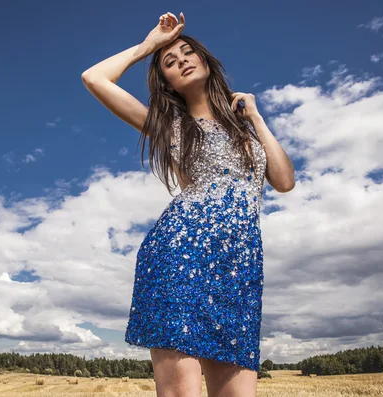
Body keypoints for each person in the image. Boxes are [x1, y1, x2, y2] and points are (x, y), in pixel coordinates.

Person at [82, 11, 295, 397]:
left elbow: (283, 181)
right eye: (169, 61)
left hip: (239, 270)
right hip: (180, 255)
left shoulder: (246, 130)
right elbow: (94, 78)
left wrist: (258, 120)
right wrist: (150, 45)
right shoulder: (170, 128)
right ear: (167, 83)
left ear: (205, 61)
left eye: (186, 52)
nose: (180, 59)